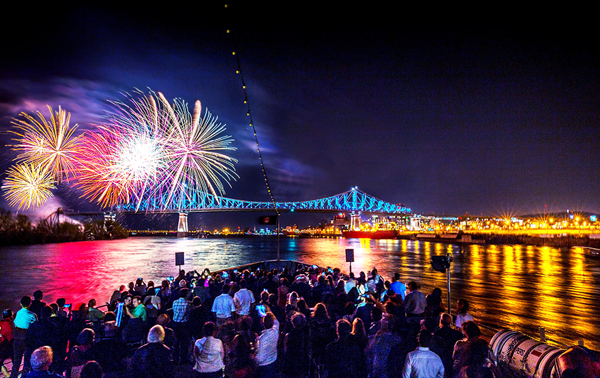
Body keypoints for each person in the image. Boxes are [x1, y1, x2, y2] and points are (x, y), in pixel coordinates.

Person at [430, 313, 464, 378]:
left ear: (441, 322)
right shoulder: (457, 334)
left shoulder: (437, 333)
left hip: (441, 359)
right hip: (452, 361)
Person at [12, 295, 38, 378]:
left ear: (20, 304)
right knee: (27, 362)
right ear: (30, 303)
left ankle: (13, 376)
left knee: (16, 362)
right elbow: (35, 328)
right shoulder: (33, 315)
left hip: (17, 340)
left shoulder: (16, 315)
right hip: (27, 340)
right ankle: (24, 376)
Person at [283, 312, 309, 378]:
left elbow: (286, 349)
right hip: (302, 361)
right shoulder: (306, 334)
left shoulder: (289, 335)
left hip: (292, 362)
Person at [255, 312, 279, 376]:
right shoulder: (275, 330)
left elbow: (261, 358)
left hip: (265, 366)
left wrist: (254, 356)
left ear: (262, 324)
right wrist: (268, 314)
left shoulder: (262, 339)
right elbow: (276, 321)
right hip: (274, 361)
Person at [172, 288, 192, 364]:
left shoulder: (174, 302)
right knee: (184, 342)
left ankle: (175, 358)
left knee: (176, 341)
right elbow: (189, 313)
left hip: (175, 323)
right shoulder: (188, 303)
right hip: (184, 324)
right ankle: (183, 359)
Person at [0, 309, 14, 377]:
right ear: (11, 316)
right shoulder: (13, 323)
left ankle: (7, 375)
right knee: (15, 362)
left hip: (2, 345)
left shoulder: (0, 323)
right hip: (12, 345)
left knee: (0, 362)